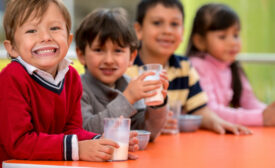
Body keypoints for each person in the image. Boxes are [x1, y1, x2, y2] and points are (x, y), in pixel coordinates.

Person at [0, 0, 138, 165]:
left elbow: (72, 131)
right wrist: (77, 149)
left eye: (55, 28)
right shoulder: (11, 78)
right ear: (12, 48)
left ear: (68, 38)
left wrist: (104, 142)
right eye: (31, 30)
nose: (45, 37)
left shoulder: (71, 76)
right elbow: (18, 143)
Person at [126, 0, 251, 134]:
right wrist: (152, 122)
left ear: (183, 32)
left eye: (174, 24)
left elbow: (199, 109)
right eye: (157, 23)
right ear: (138, 30)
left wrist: (218, 122)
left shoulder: (184, 67)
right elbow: (114, 114)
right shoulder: (126, 68)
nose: (167, 31)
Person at [75, 8, 169, 141]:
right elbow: (87, 132)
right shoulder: (77, 89)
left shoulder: (128, 84)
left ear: (132, 57)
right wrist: (128, 98)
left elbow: (148, 132)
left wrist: (157, 104)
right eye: (98, 50)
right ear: (81, 55)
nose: (108, 60)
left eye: (118, 51)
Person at [186, 3, 275, 126]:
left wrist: (269, 112)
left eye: (236, 35)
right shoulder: (197, 66)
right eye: (222, 37)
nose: (233, 42)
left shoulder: (233, 67)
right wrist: (260, 117)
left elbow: (250, 102)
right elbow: (210, 111)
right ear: (200, 41)